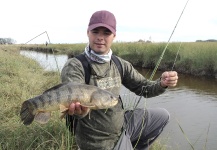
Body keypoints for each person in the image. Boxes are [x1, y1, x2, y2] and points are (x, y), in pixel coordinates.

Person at [61, 10, 178, 150]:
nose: (100, 37)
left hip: (123, 125)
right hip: (98, 142)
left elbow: (144, 88)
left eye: (106, 33)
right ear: (88, 32)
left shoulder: (119, 64)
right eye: (95, 31)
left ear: (114, 36)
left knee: (162, 116)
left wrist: (162, 83)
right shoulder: (75, 65)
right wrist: (81, 112)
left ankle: (129, 145)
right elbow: (74, 105)